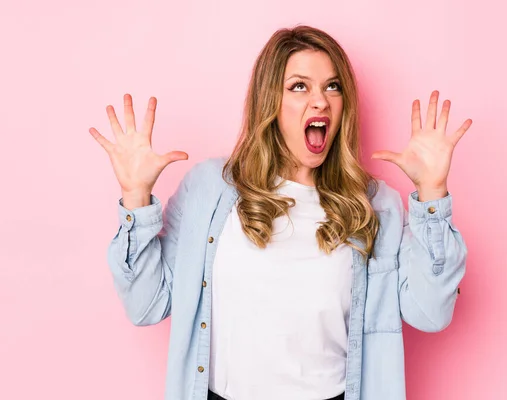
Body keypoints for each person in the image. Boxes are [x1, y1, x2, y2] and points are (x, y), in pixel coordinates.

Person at [90, 25, 471, 400]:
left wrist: (433, 193)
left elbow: (430, 313)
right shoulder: (210, 189)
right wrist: (136, 196)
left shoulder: (375, 207)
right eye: (299, 86)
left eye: (332, 86)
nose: (320, 100)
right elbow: (146, 305)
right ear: (269, 100)